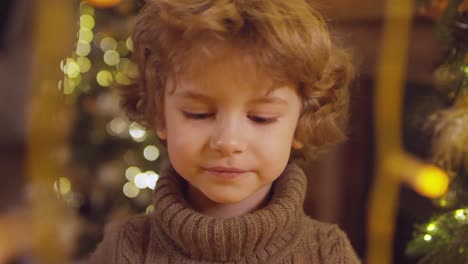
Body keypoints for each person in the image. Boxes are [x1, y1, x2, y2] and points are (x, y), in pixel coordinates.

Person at [88, 0, 360, 263]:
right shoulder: (124, 250)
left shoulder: (328, 254)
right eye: (199, 114)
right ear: (160, 115)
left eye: (260, 118)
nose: (228, 142)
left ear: (301, 123)